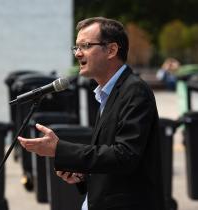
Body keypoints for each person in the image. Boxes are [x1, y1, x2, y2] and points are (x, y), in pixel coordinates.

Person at [18, 17, 165, 210]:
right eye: (76, 47)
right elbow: (113, 164)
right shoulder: (107, 93)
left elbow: (125, 156)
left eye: (86, 46)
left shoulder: (134, 91)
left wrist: (60, 149)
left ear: (112, 50)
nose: (78, 54)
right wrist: (82, 175)